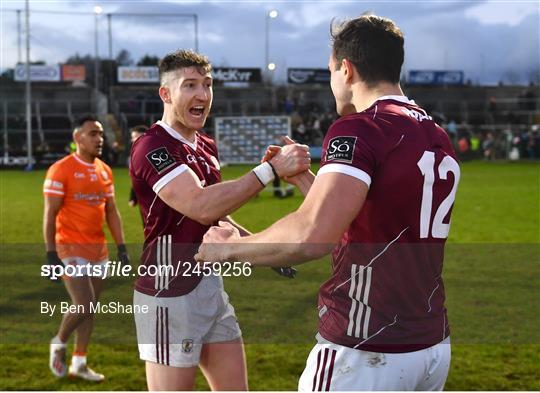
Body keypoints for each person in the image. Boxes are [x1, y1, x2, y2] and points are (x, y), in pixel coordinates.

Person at [197, 14, 460, 391]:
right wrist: (305, 180)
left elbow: (311, 235)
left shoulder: (362, 127)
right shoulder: (433, 132)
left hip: (366, 344)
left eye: (331, 71)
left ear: (346, 69)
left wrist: (229, 248)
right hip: (430, 344)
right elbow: (371, 215)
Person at [129, 49, 308, 391]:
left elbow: (217, 216)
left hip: (209, 286)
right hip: (169, 294)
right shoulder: (153, 147)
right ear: (166, 94)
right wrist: (270, 170)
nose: (202, 95)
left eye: (208, 85)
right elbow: (200, 206)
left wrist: (260, 249)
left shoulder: (206, 145)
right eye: (190, 85)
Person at [43, 114, 129, 381]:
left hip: (98, 249)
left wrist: (122, 248)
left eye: (101, 134)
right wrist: (50, 254)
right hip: (68, 247)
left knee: (90, 308)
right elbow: (49, 214)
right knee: (85, 302)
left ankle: (79, 362)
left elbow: (112, 212)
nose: (100, 139)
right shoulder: (61, 169)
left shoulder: (104, 170)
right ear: (77, 138)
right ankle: (58, 342)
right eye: (93, 133)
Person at [128, 125, 148, 210]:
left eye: (136, 137)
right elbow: (136, 179)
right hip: (144, 199)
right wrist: (133, 197)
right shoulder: (135, 155)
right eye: (132, 137)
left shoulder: (152, 155)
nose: (133, 140)